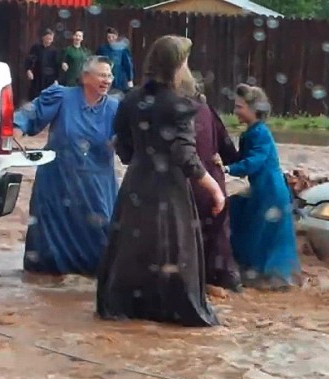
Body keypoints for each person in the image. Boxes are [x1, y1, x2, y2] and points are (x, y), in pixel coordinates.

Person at [96, 35, 225, 327]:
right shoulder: (180, 104)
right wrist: (214, 187)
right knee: (174, 250)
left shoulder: (130, 99)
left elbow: (123, 148)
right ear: (178, 65)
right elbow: (184, 153)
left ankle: (127, 308)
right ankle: (172, 310)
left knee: (132, 248)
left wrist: (142, 155)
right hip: (170, 190)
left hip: (136, 186)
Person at [13, 56, 119, 276]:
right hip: (56, 184)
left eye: (109, 75)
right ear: (85, 77)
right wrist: (16, 133)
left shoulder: (115, 108)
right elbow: (27, 116)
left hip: (96, 188)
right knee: (47, 260)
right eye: (101, 74)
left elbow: (130, 141)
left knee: (100, 247)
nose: (106, 80)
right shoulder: (61, 96)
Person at [224, 84, 300, 291]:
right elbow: (245, 165)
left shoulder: (260, 133)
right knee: (250, 224)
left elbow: (254, 162)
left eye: (240, 107)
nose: (235, 111)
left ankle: (271, 280)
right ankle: (257, 275)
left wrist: (227, 168)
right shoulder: (249, 133)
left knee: (265, 234)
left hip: (271, 192)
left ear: (254, 109)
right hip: (261, 191)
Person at [191, 90, 242, 293]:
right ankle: (226, 279)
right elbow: (229, 151)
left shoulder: (166, 112)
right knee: (218, 235)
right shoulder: (207, 111)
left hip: (186, 186)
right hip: (211, 183)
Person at [96, 27, 134, 94]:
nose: (111, 39)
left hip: (120, 78)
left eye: (113, 37)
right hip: (106, 76)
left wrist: (130, 79)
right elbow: (97, 63)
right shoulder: (102, 49)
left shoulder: (122, 49)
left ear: (116, 37)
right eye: (109, 37)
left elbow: (127, 64)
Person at [25, 28, 59, 100]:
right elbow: (29, 60)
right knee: (34, 97)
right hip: (37, 77)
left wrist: (56, 79)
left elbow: (57, 65)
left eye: (51, 37)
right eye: (48, 36)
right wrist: (28, 70)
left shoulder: (54, 51)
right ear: (43, 37)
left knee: (47, 98)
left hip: (49, 79)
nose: (50, 38)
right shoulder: (36, 48)